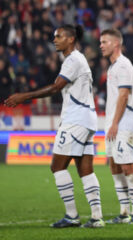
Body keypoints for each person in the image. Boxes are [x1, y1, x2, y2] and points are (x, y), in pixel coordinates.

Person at [4, 25, 104, 228]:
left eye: (59, 36)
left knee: (57, 166)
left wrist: (25, 96)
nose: (54, 40)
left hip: (75, 120)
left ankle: (72, 216)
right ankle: (96, 217)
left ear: (71, 39)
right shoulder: (77, 59)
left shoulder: (73, 60)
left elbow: (56, 86)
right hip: (87, 119)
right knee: (85, 170)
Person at [99, 28, 133, 224]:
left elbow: (124, 95)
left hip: (124, 123)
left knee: (127, 165)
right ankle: (124, 211)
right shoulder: (113, 67)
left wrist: (115, 123)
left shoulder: (124, 66)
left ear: (116, 44)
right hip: (113, 123)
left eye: (104, 42)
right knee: (114, 165)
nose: (101, 46)